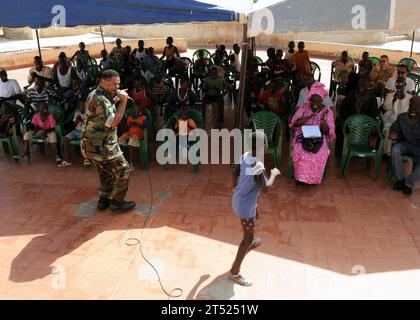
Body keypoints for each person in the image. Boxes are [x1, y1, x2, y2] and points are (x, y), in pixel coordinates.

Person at [230, 131, 281, 286]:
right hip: (245, 206)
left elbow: (235, 172)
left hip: (240, 200)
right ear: (264, 146)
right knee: (248, 237)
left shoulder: (245, 156)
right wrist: (273, 174)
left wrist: (235, 188)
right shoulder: (258, 165)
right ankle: (235, 272)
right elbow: (266, 188)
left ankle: (249, 240)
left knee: (256, 215)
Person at [81, 69, 136, 212]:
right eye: (114, 84)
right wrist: (123, 102)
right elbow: (113, 122)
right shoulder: (102, 100)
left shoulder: (94, 94)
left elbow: (103, 110)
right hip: (103, 146)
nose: (117, 87)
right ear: (103, 82)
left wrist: (115, 99)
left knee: (104, 170)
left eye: (118, 84)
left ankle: (103, 199)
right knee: (123, 169)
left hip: (90, 145)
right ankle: (117, 202)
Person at [289, 83, 335, 185]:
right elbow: (294, 124)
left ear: (322, 100)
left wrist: (323, 123)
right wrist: (307, 119)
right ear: (309, 100)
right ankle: (301, 178)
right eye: (313, 101)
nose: (315, 104)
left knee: (319, 152)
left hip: (319, 137)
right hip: (302, 135)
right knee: (301, 151)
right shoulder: (304, 108)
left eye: (318, 102)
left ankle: (313, 179)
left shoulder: (327, 111)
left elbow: (328, 132)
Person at [335, 78, 379, 158]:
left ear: (369, 87)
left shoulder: (372, 98)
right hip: (349, 119)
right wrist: (348, 119)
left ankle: (361, 150)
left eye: (364, 85)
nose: (361, 87)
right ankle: (339, 151)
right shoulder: (352, 94)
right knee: (340, 126)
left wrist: (365, 123)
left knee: (372, 129)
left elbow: (373, 114)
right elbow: (342, 108)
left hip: (364, 123)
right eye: (360, 84)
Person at [390, 96, 420, 196]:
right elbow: (395, 128)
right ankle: (400, 179)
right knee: (395, 150)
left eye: (416, 106)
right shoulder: (402, 117)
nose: (412, 108)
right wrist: (394, 133)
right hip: (405, 144)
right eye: (411, 105)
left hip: (418, 147)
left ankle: (409, 184)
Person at [382, 81, 412, 156]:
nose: (400, 88)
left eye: (402, 86)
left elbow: (410, 111)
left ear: (405, 87)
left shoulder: (409, 97)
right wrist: (393, 101)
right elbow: (385, 107)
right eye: (398, 86)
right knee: (389, 129)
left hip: (404, 121)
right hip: (390, 119)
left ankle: (402, 152)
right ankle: (388, 153)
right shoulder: (390, 95)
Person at [118, 101, 149, 172]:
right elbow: (128, 126)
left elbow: (146, 126)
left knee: (131, 143)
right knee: (120, 140)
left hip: (139, 135)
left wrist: (138, 125)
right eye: (133, 109)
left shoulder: (143, 118)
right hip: (130, 133)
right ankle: (124, 158)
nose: (134, 111)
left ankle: (131, 164)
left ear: (140, 110)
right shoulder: (129, 118)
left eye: (136, 109)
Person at [59, 102, 89, 167]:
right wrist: (77, 121)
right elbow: (74, 125)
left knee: (84, 139)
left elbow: (89, 125)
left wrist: (81, 120)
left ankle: (86, 159)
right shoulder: (77, 113)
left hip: (84, 131)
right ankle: (67, 160)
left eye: (82, 106)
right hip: (76, 130)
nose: (81, 107)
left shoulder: (88, 113)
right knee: (65, 139)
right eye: (80, 106)